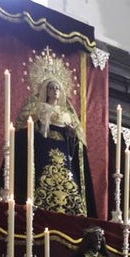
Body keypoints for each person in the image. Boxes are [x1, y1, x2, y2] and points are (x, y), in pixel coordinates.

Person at [10, 50, 96, 216]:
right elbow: (25, 132)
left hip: (64, 155)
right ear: (46, 90)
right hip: (43, 151)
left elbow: (76, 145)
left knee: (70, 186)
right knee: (41, 182)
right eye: (51, 88)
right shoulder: (37, 109)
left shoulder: (68, 114)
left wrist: (72, 135)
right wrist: (39, 124)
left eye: (57, 88)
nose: (55, 91)